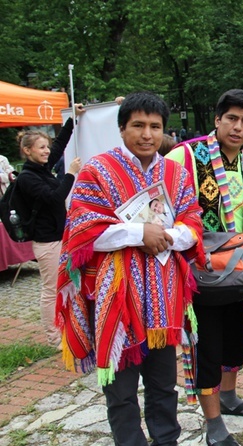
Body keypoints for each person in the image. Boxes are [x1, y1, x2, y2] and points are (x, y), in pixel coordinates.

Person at [56, 92, 204, 445]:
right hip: (118, 305)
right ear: (122, 129)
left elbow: (192, 221)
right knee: (121, 392)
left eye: (155, 126)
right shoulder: (97, 171)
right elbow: (82, 232)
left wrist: (165, 235)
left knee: (163, 385)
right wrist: (139, 233)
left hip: (164, 302)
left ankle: (166, 439)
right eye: (138, 125)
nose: (147, 134)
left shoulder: (175, 173)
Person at [166, 89, 243, 445]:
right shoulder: (187, 156)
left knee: (236, 342)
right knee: (206, 347)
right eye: (232, 119)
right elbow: (163, 205)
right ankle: (213, 424)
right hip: (201, 272)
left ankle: (229, 396)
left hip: (238, 271)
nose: (238, 127)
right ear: (217, 120)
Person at [15, 104, 84, 348]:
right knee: (51, 289)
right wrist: (71, 174)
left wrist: (72, 119)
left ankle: (68, 329)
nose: (46, 152)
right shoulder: (27, 177)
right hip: (47, 242)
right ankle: (54, 337)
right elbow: (54, 197)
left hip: (60, 236)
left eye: (46, 147)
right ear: (27, 150)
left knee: (67, 283)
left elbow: (59, 145)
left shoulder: (42, 168)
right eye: (40, 148)